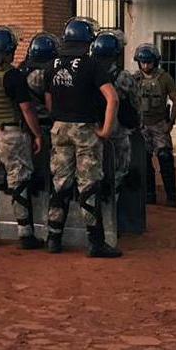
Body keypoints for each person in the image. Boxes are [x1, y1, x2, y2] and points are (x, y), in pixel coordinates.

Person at [44, 17, 121, 258]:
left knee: (60, 182)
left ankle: (53, 238)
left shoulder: (52, 64)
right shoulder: (92, 64)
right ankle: (95, 242)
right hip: (85, 129)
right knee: (88, 184)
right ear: (88, 40)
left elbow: (48, 100)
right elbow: (113, 98)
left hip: (59, 127)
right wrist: (106, 130)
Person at [0, 26, 45, 249]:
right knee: (19, 181)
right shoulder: (12, 75)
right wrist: (37, 134)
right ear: (7, 52)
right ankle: (25, 233)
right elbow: (26, 109)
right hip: (11, 134)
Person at [90, 30, 140, 204]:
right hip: (117, 132)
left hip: (90, 131)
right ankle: (111, 212)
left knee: (90, 174)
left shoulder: (86, 72)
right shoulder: (123, 77)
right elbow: (136, 103)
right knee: (118, 173)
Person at [131, 43, 176, 207]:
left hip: (160, 124)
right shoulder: (134, 78)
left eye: (149, 62)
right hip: (142, 125)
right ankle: (149, 195)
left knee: (165, 159)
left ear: (155, 62)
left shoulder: (164, 78)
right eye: (143, 62)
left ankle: (171, 197)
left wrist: (171, 122)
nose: (146, 66)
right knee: (144, 162)